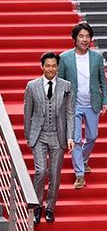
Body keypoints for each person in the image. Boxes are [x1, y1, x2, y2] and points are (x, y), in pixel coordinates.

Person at [24, 52, 75, 224]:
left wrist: (70, 137)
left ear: (58, 67)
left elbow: (70, 113)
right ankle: (37, 205)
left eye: (54, 66)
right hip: (39, 135)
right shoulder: (32, 86)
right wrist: (28, 137)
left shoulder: (66, 86)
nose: (51, 69)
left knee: (54, 173)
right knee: (40, 171)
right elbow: (27, 113)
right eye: (47, 65)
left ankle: (50, 207)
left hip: (58, 135)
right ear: (42, 66)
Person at [58, 22, 107, 190]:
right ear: (75, 38)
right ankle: (79, 174)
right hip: (72, 105)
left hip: (92, 103)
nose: (84, 39)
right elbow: (59, 82)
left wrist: (106, 101)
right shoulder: (65, 57)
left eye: (87, 36)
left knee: (93, 135)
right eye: (81, 36)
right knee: (76, 140)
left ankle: (84, 159)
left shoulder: (97, 57)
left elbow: (102, 80)